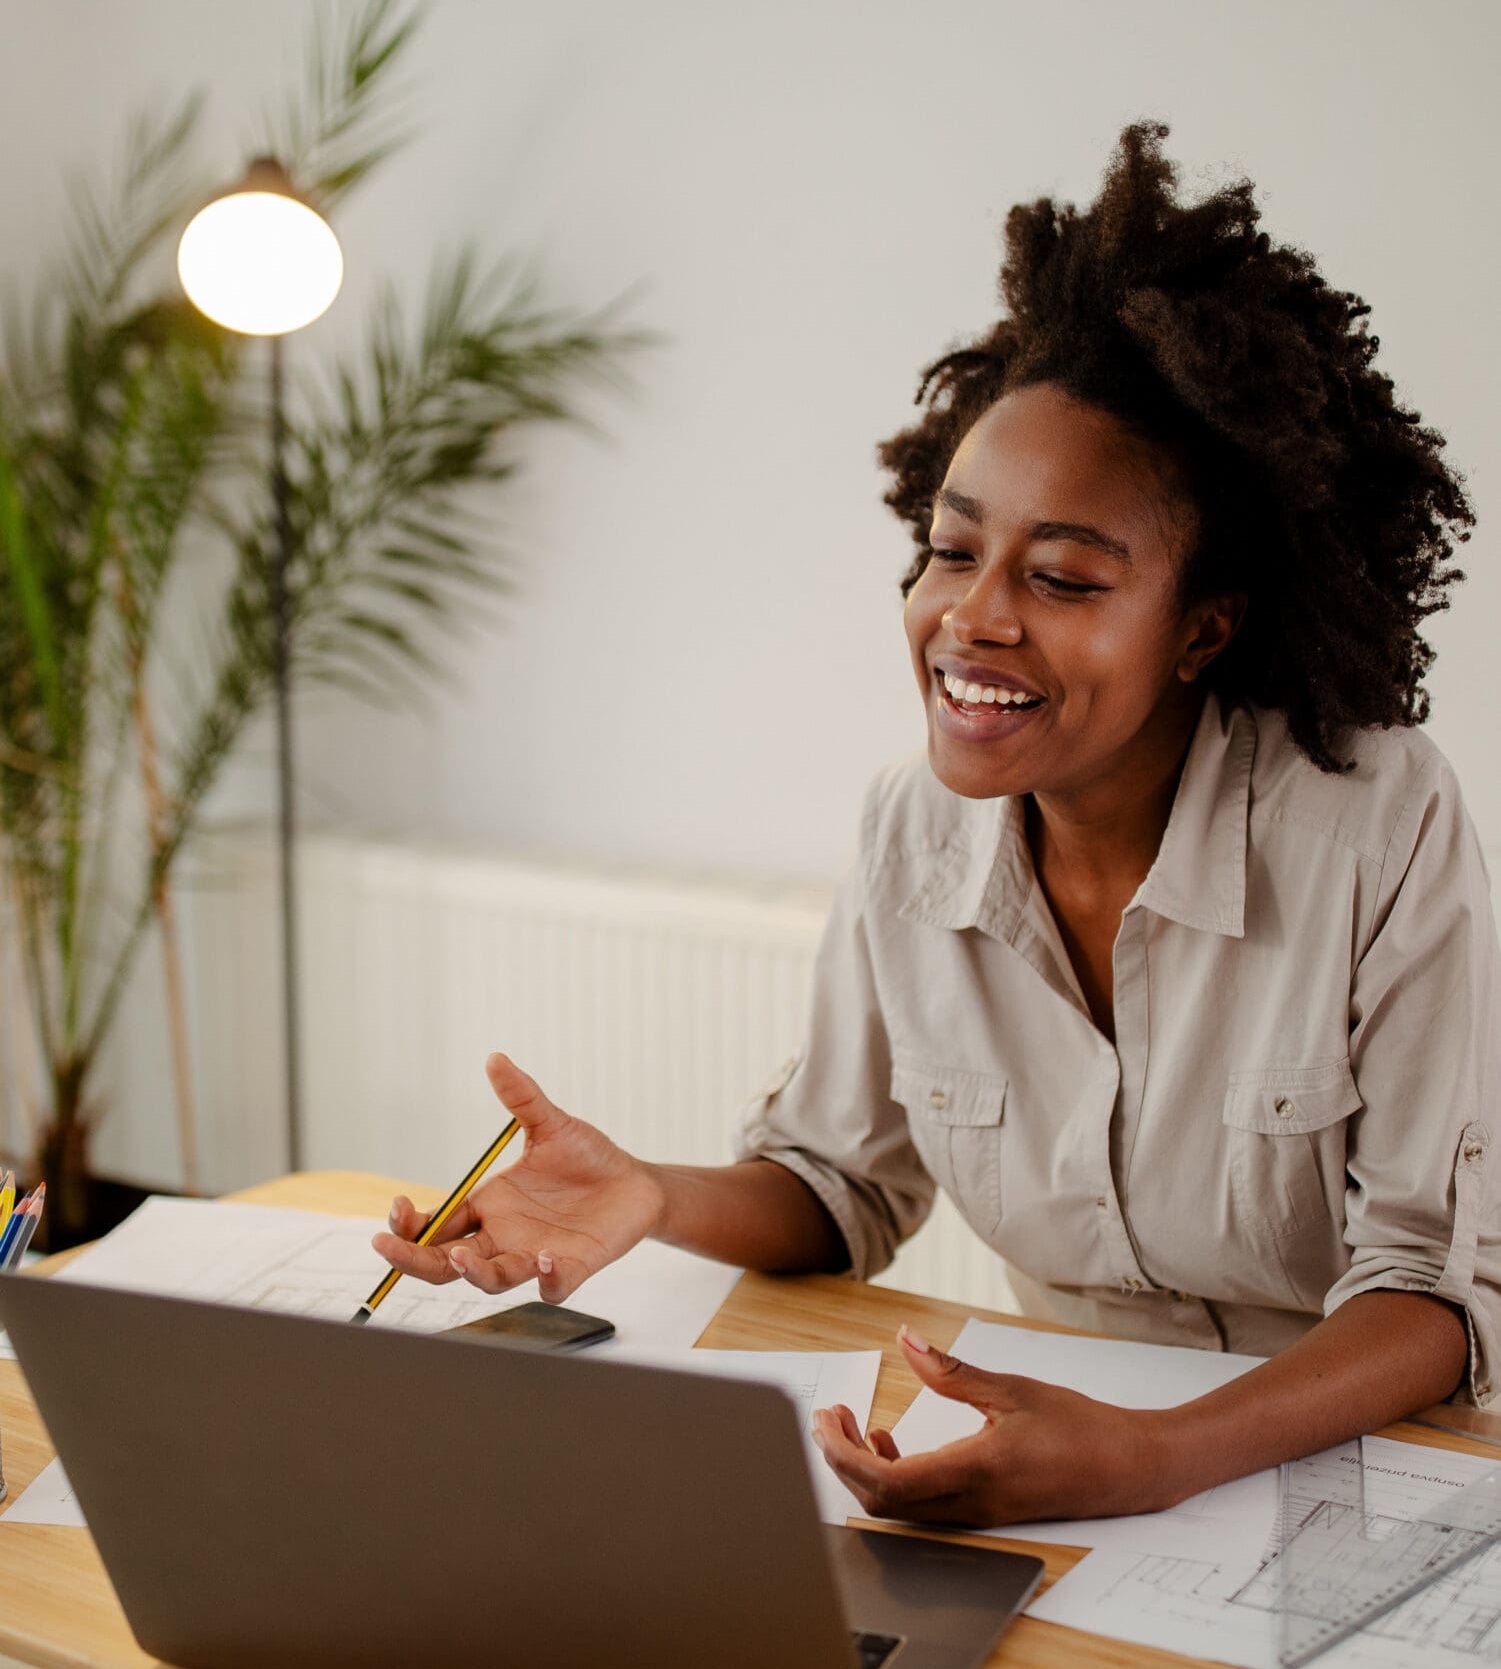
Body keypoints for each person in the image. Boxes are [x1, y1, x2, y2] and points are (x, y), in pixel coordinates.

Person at [373, 121, 1499, 1528]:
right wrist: (643, 1193)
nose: (971, 616)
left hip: (1369, 1473)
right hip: (1066, 1455)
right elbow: (837, 1188)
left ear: (1202, 629)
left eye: (1067, 578)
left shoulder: (1371, 821)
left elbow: (1427, 1290)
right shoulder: (912, 834)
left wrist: (1153, 1459)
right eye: (953, 550)